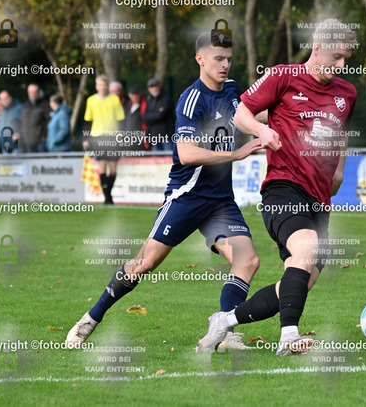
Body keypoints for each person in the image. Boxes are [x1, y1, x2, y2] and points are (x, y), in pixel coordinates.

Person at [66, 30, 265, 351]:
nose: (225, 65)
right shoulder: (192, 99)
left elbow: (249, 114)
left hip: (220, 201)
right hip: (187, 197)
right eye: (218, 59)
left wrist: (290, 115)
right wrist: (236, 154)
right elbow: (186, 153)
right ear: (200, 59)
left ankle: (223, 330)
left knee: (247, 260)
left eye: (229, 59)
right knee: (144, 264)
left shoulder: (231, 89)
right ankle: (91, 318)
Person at [197, 19, 358, 355]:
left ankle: (224, 321)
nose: (342, 65)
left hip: (319, 199)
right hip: (283, 189)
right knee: (306, 246)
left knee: (297, 283)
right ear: (318, 48)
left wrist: (340, 171)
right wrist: (262, 130)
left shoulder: (347, 93)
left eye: (346, 58)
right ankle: (289, 338)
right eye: (337, 57)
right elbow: (242, 113)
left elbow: (342, 132)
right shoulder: (282, 76)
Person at [82, 75, 125, 204]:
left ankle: (108, 194)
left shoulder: (115, 99)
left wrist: (121, 134)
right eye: (100, 85)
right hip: (97, 137)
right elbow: (87, 121)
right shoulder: (91, 100)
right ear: (97, 86)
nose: (103, 87)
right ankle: (107, 198)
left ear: (107, 86)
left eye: (105, 85)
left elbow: (121, 119)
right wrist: (85, 138)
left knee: (113, 169)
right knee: (102, 165)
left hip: (113, 137)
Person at [143, 77, 174, 152]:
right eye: (151, 87)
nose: (154, 89)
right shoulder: (149, 100)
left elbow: (161, 115)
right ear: (149, 89)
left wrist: (151, 116)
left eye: (155, 86)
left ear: (159, 86)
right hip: (154, 136)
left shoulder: (166, 98)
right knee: (156, 158)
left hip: (166, 136)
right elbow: (144, 117)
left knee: (169, 157)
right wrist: (156, 114)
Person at [21, 83, 50, 152]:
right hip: (27, 141)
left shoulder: (45, 105)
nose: (33, 94)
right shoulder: (25, 105)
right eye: (31, 92)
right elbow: (22, 122)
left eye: (35, 92)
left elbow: (48, 121)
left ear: (38, 92)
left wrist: (44, 135)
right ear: (28, 93)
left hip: (40, 141)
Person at [124, 86, 146, 151]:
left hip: (140, 139)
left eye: (136, 94)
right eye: (133, 94)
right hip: (128, 138)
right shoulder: (128, 106)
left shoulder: (144, 106)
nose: (135, 97)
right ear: (130, 95)